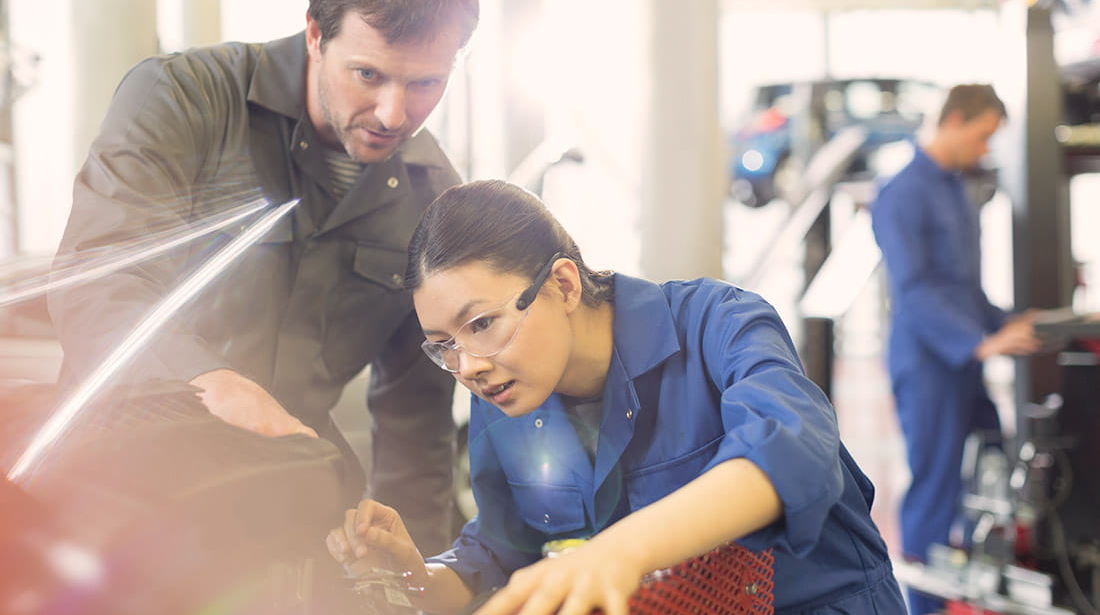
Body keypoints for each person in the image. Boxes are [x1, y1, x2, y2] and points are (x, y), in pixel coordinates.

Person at [46, 0, 479, 556]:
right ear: (314, 35)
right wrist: (210, 381)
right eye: (369, 75)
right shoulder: (182, 102)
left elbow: (416, 428)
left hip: (276, 522)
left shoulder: (434, 199)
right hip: (112, 498)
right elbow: (97, 287)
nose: (395, 114)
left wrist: (417, 581)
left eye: (425, 84)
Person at [326, 179, 907, 615]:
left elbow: (793, 448)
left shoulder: (715, 324)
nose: (468, 366)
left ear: (562, 283)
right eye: (442, 345)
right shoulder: (505, 398)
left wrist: (620, 551)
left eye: (481, 323)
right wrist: (415, 576)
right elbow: (503, 560)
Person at [870, 84, 1042, 614]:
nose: (986, 148)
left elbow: (964, 287)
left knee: (995, 455)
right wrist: (980, 341)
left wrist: (1008, 322)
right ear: (955, 121)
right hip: (927, 362)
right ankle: (920, 605)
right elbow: (915, 289)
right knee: (936, 481)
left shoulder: (955, 190)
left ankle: (972, 582)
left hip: (965, 359)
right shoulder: (900, 194)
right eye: (984, 135)